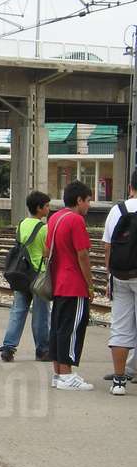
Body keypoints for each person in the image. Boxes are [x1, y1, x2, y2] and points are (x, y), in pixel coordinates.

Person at [48, 180, 95, 391]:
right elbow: (83, 254)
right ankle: (67, 376)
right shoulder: (76, 220)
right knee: (72, 328)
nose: (89, 205)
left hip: (58, 282)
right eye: (88, 201)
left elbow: (46, 250)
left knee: (58, 328)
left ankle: (58, 373)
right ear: (79, 200)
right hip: (74, 284)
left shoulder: (55, 218)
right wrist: (90, 285)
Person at [0, 191, 51, 362]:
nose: (49, 209)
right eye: (47, 206)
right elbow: (47, 251)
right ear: (39, 208)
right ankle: (42, 349)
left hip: (22, 274)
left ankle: (8, 347)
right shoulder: (44, 229)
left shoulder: (21, 224)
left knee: (18, 311)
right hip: (38, 276)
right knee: (41, 315)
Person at [102, 169, 137, 395]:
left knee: (120, 328)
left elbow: (108, 247)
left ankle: (119, 381)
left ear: (130, 186)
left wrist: (109, 276)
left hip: (121, 275)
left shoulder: (118, 210)